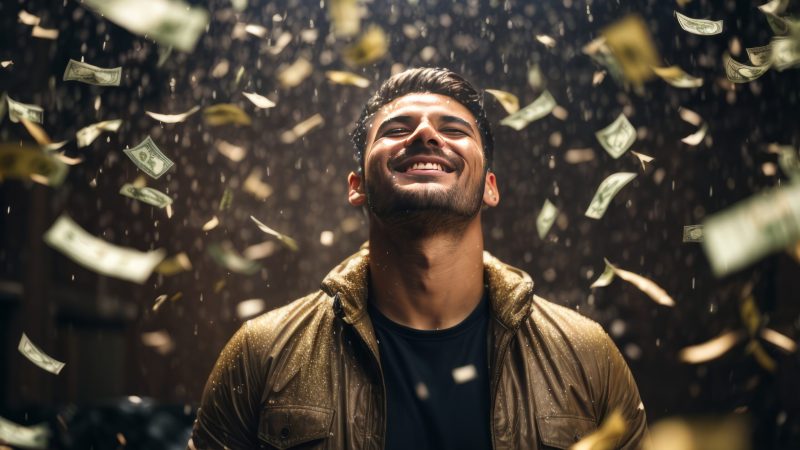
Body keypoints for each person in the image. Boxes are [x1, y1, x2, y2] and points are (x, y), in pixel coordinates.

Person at [189, 67, 648, 450]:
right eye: (397, 129)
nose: (426, 133)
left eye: (453, 129)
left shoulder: (588, 356)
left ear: (490, 186)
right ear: (357, 186)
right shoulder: (261, 352)